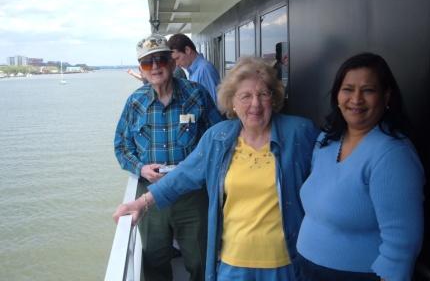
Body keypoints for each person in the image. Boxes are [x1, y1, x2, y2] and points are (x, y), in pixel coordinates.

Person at [113, 57, 319, 281]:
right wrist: (142, 203)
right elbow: (183, 175)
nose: (255, 104)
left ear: (274, 98)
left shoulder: (299, 133)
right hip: (233, 264)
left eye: (263, 94)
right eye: (245, 96)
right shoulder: (218, 138)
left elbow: (329, 171)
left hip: (285, 264)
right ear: (232, 102)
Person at [297, 53, 424, 281]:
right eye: (348, 89)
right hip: (307, 266)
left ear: (386, 97)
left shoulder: (392, 154)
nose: (356, 99)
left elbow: (403, 241)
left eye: (368, 90)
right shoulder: (327, 139)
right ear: (337, 95)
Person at [114, 33, 223, 281]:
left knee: (200, 260)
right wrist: (140, 168)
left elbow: (217, 137)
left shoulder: (196, 95)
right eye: (147, 63)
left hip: (192, 194)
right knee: (155, 260)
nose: (155, 67)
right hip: (151, 196)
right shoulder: (135, 102)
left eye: (161, 59)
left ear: (172, 62)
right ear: (141, 69)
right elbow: (121, 146)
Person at [168, 33, 220, 103]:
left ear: (187, 50)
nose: (176, 64)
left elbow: (215, 103)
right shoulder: (193, 71)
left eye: (177, 58)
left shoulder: (204, 69)